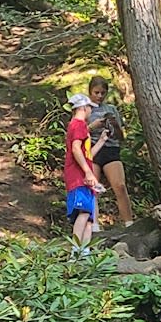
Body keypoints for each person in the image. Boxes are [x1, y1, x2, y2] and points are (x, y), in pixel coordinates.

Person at [88, 73, 134, 226]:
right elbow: (76, 134)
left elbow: (121, 136)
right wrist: (93, 126)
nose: (99, 96)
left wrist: (114, 125)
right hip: (93, 150)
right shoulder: (86, 110)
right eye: (96, 93)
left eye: (103, 93)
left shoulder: (112, 109)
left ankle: (129, 223)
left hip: (111, 149)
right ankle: (94, 224)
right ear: (90, 92)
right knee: (92, 188)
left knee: (119, 185)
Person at [64, 93, 105, 261]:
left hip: (83, 177)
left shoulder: (78, 127)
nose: (90, 112)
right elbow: (75, 149)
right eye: (89, 108)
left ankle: (84, 251)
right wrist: (88, 172)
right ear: (83, 108)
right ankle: (75, 249)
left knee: (88, 216)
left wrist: (101, 141)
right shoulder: (79, 125)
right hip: (78, 177)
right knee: (83, 212)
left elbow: (87, 155)